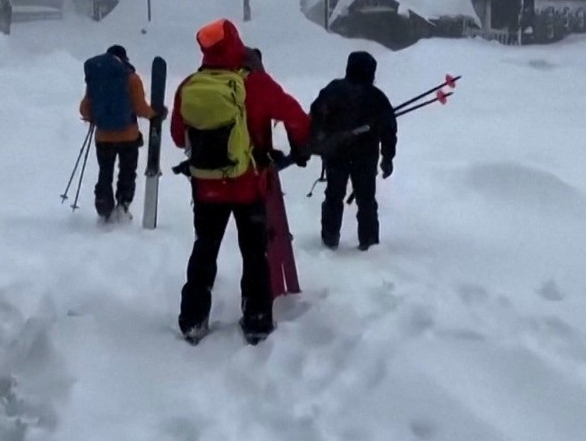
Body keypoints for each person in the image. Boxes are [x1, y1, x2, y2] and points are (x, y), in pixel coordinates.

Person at [172, 20, 310, 345]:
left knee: (204, 248)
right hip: (249, 185)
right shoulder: (257, 84)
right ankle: (257, 320)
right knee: (254, 252)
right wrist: (299, 144)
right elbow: (295, 116)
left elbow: (179, 137)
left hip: (206, 187)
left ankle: (193, 318)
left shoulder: (190, 85)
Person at [310, 51, 396, 251]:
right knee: (366, 200)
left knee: (333, 196)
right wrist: (387, 158)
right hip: (365, 158)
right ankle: (369, 242)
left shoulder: (333, 90)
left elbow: (315, 116)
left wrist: (319, 142)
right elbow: (389, 129)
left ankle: (330, 238)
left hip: (336, 155)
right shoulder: (376, 97)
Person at [80, 45, 161, 222]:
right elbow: (141, 108)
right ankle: (123, 205)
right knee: (127, 171)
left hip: (103, 137)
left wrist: (95, 117)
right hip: (128, 136)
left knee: (105, 171)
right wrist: (155, 114)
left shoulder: (97, 78)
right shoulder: (131, 78)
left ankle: (103, 203)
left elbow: (85, 108)